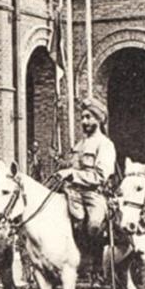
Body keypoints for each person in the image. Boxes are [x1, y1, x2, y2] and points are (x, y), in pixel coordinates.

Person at [55, 97, 115, 261]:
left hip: (92, 194)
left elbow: (100, 176)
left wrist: (72, 174)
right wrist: (62, 165)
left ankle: (94, 264)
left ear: (99, 119)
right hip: (72, 192)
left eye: (89, 117)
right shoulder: (79, 144)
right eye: (83, 118)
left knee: (93, 225)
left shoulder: (105, 144)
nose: (84, 121)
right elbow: (71, 166)